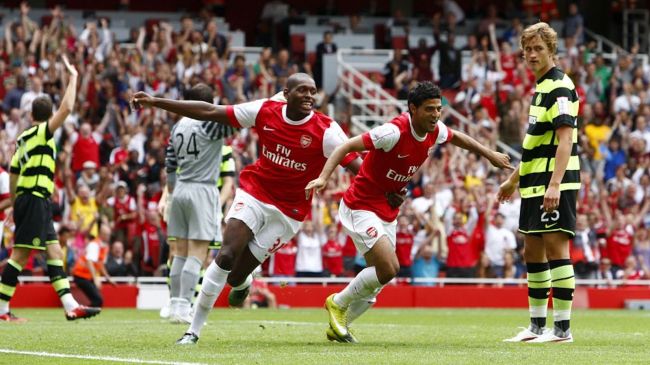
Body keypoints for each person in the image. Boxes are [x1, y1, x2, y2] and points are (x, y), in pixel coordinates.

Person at [131, 73, 403, 344]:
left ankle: (244, 281)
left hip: (288, 213)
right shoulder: (264, 110)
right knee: (225, 256)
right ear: (286, 93)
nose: (309, 96)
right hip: (254, 193)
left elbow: (360, 168)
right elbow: (210, 111)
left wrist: (386, 193)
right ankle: (193, 331)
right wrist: (156, 101)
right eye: (302, 91)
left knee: (236, 277)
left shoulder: (327, 131)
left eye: (313, 91)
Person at [305, 81, 513, 342]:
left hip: (387, 207)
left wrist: (489, 153)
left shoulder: (433, 130)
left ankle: (341, 325)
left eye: (438, 109)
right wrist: (324, 178)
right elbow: (345, 147)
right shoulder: (392, 132)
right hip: (360, 205)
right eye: (429, 109)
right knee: (389, 268)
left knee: (379, 279)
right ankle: (337, 302)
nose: (436, 115)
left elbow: (457, 136)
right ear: (412, 109)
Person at [0, 56, 101, 322]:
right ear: (45, 118)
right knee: (20, 256)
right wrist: (74, 77)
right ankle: (1, 311)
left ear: (31, 115)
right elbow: (67, 108)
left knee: (54, 252)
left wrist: (12, 203)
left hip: (31, 200)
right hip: (34, 199)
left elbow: (13, 173)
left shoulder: (22, 138)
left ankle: (71, 307)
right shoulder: (43, 133)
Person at [498, 22, 580, 343]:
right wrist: (512, 180)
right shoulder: (540, 87)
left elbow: (564, 140)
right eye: (527, 49)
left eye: (538, 49)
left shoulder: (560, 86)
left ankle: (562, 330)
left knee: (556, 248)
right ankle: (536, 327)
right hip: (533, 182)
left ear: (551, 51)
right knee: (532, 250)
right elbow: (534, 144)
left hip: (552, 181)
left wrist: (556, 184)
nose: (531, 55)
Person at [162, 83, 233, 324]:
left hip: (180, 188)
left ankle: (174, 305)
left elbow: (169, 167)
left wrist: (172, 195)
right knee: (197, 253)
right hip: (202, 188)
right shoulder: (209, 125)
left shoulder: (176, 127)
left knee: (180, 253)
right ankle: (183, 308)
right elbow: (234, 121)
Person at [71, 225, 115, 307]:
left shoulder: (105, 247)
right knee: (98, 300)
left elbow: (100, 264)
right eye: (107, 234)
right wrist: (95, 279)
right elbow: (89, 262)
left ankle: (85, 312)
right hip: (80, 275)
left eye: (109, 234)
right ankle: (83, 312)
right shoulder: (94, 245)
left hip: (87, 277)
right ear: (101, 234)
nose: (109, 237)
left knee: (97, 300)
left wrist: (107, 277)